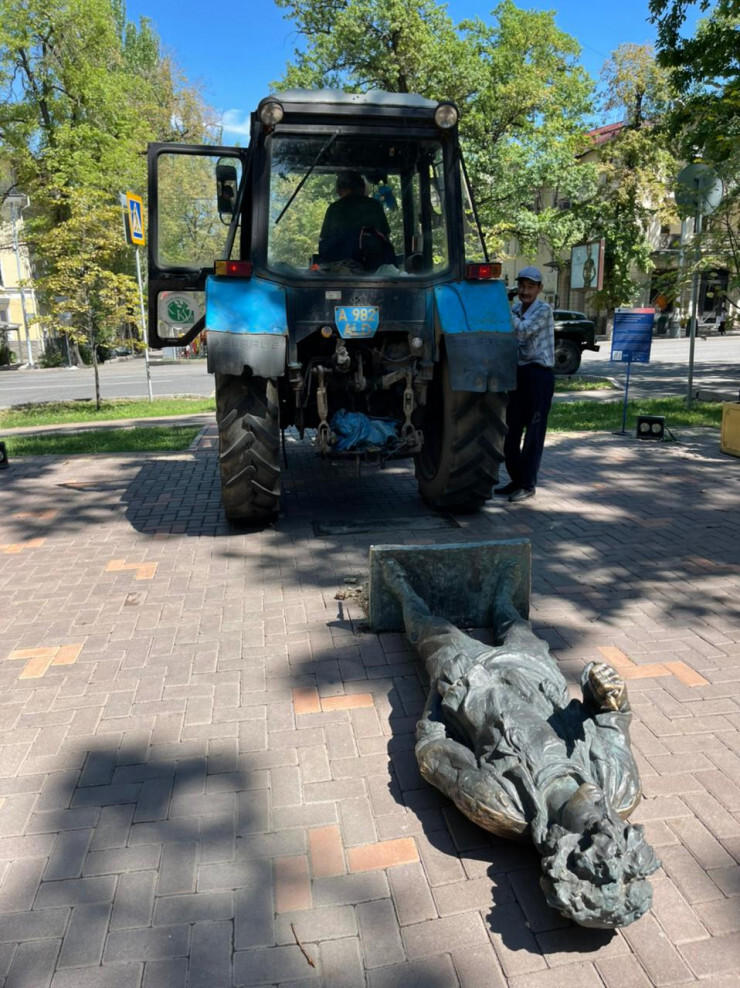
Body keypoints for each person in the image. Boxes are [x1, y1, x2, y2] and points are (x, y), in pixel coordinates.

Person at [382, 555, 659, 929]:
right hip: (535, 674)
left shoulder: (498, 804)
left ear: (562, 842)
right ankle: (500, 599)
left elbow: (431, 752)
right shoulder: (621, 788)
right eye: (618, 827)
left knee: (431, 630)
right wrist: (610, 692)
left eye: (592, 828)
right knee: (517, 625)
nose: (606, 816)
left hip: (471, 681)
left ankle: (399, 590)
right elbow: (613, 719)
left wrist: (442, 690)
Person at [496, 266, 555, 502]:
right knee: (510, 432)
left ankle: (528, 484)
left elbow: (522, 332)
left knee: (534, 432)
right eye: (522, 286)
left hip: (539, 375)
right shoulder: (517, 308)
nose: (525, 291)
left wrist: (503, 311)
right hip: (519, 374)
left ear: (539, 289)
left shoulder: (544, 310)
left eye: (531, 287)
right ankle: (516, 479)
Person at [318, 171, 394, 271]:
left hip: (339, 272)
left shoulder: (334, 208)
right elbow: (386, 237)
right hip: (374, 270)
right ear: (362, 189)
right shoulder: (374, 206)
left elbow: (323, 242)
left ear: (340, 190)